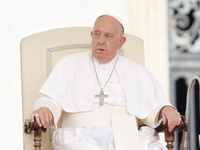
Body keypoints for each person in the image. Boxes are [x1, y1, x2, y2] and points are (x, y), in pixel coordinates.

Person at [31, 14, 181, 150]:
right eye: (97, 35)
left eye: (108, 36)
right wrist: (45, 108)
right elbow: (52, 100)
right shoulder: (69, 64)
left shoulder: (137, 71)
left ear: (121, 42)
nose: (100, 41)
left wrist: (165, 109)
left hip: (125, 136)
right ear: (91, 35)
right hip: (80, 137)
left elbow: (153, 107)